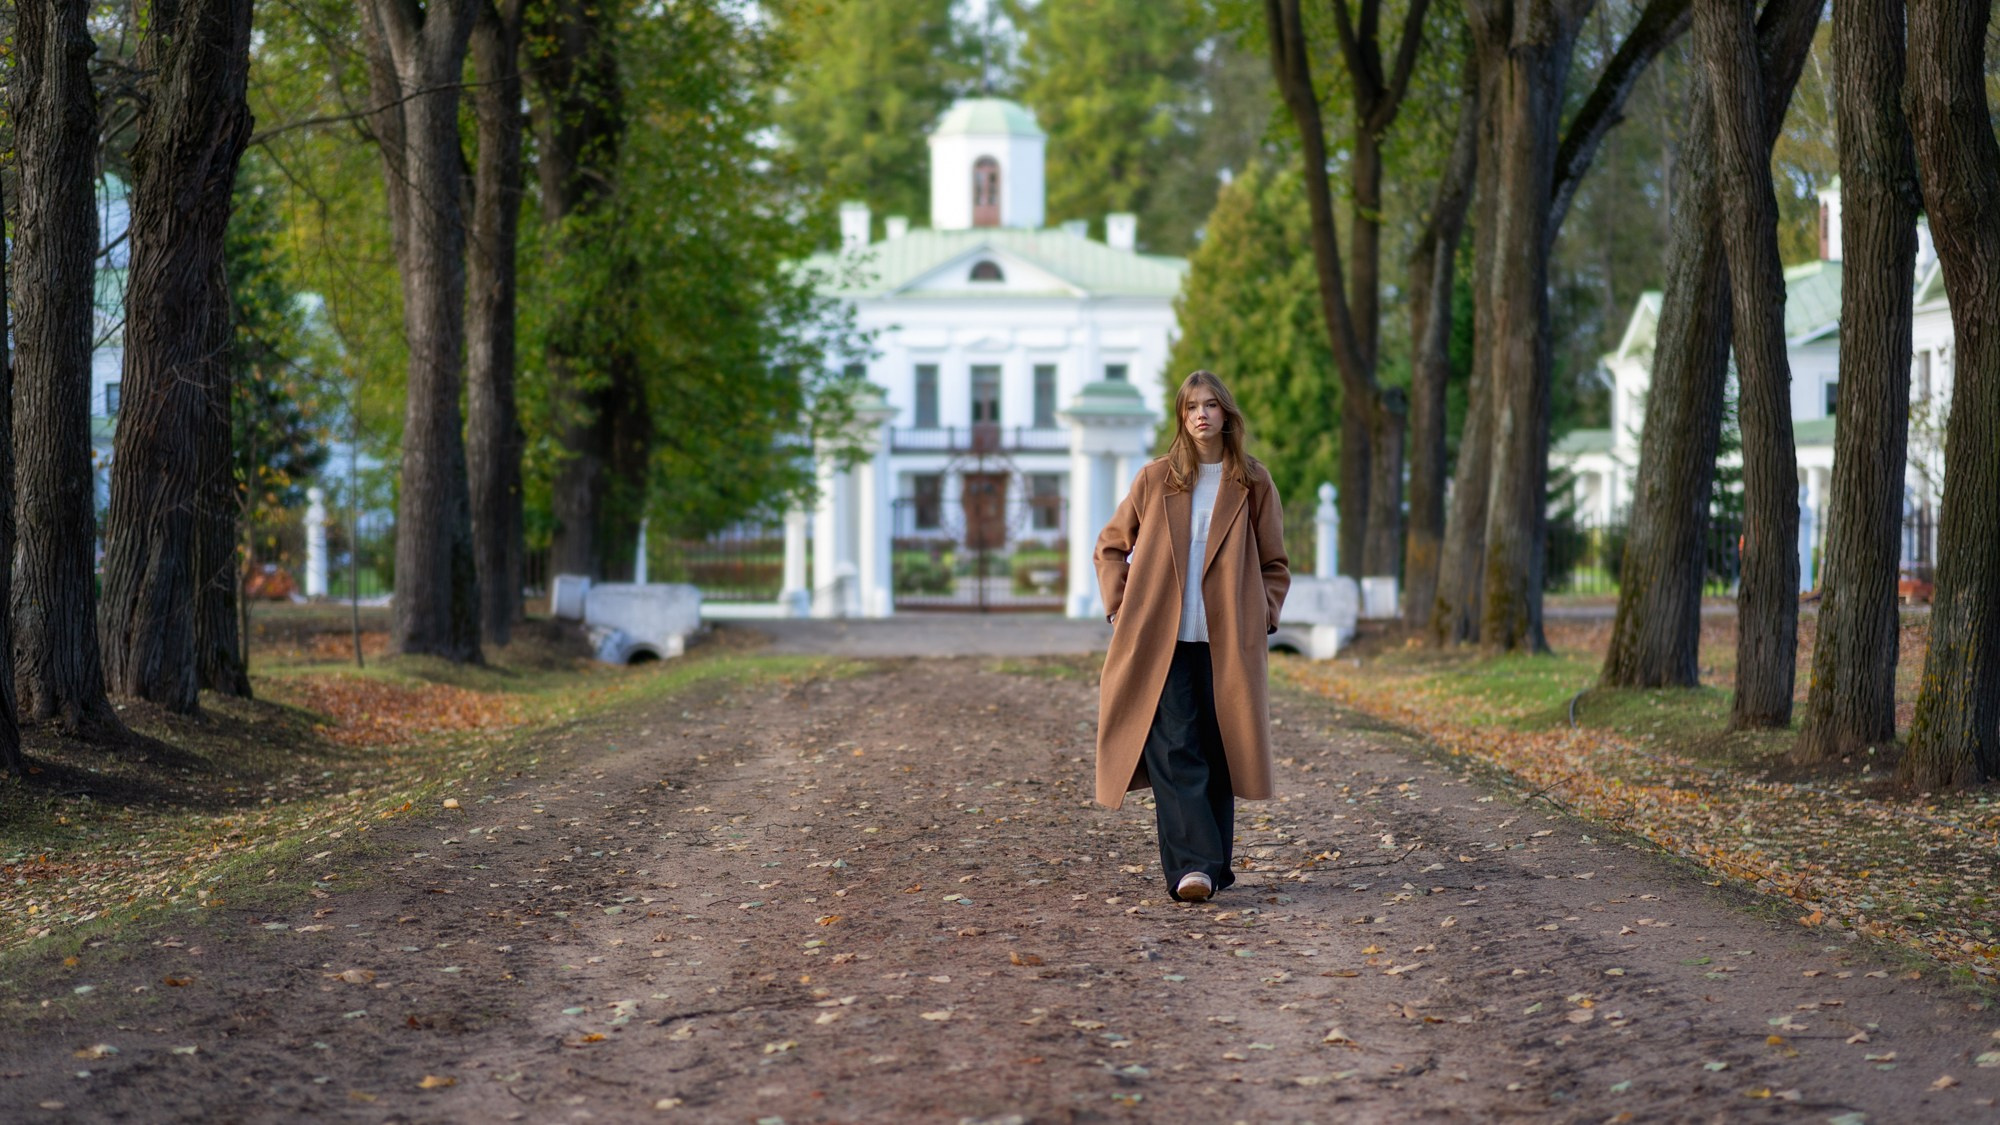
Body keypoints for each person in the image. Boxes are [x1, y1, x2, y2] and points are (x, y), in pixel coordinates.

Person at [1091, 370, 1290, 903]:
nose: (1201, 414)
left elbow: (1274, 563)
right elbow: (1111, 546)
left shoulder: (1252, 481)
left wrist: (1263, 614)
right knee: (1176, 748)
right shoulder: (1156, 479)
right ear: (1181, 418)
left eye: (1210, 405)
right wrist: (1119, 606)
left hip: (1227, 641)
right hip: (1162, 639)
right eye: (1190, 407)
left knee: (1219, 749)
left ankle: (1211, 866)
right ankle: (1193, 869)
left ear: (1227, 414)